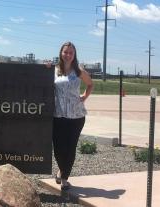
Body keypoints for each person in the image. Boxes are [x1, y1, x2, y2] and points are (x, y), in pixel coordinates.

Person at [52, 41, 93, 190]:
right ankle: (61, 170)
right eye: (65, 52)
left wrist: (84, 97)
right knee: (58, 148)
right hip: (58, 115)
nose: (68, 55)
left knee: (70, 148)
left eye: (71, 52)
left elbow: (90, 84)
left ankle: (64, 178)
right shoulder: (54, 70)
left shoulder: (79, 71)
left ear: (74, 55)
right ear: (61, 53)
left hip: (76, 116)